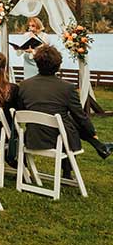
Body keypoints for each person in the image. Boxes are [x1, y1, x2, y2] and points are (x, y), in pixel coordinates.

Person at [17, 46, 112, 175]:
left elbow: (22, 110)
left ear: (37, 63)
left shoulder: (24, 85)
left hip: (33, 137)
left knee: (66, 120)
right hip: (60, 140)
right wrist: (92, 132)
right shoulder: (67, 88)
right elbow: (80, 116)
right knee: (69, 122)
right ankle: (69, 170)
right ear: (58, 65)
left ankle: (100, 146)